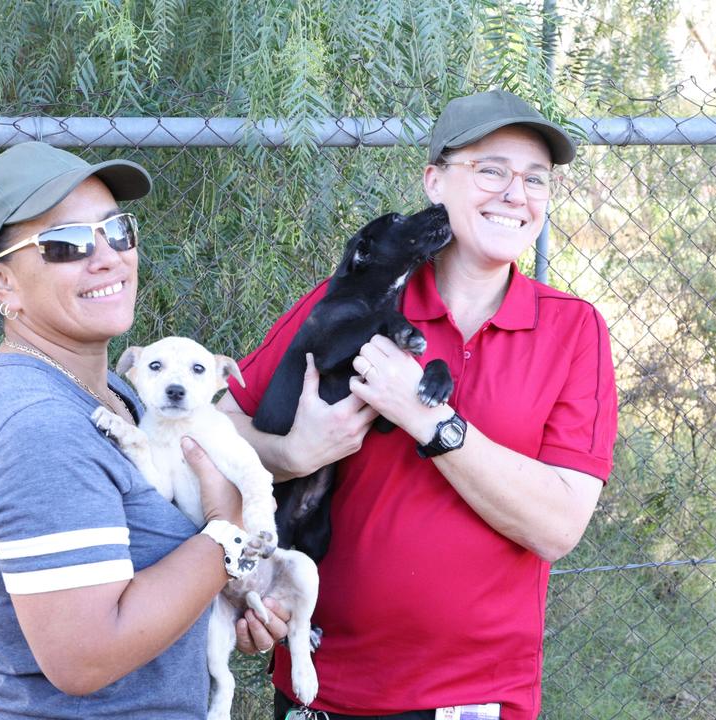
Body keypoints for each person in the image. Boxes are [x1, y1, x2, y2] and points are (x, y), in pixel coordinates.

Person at [218, 89, 619, 719]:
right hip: (330, 685)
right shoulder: (353, 298)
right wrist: (290, 453)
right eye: (491, 169)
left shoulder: (572, 330)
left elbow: (558, 526)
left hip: (478, 698)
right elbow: (212, 426)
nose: (516, 193)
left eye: (535, 179)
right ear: (434, 182)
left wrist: (429, 418)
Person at [0, 141, 285, 718]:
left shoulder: (123, 397)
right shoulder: (44, 430)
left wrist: (223, 597)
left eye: (117, 231)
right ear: (2, 282)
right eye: (67, 244)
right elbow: (85, 657)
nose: (107, 256)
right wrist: (228, 534)